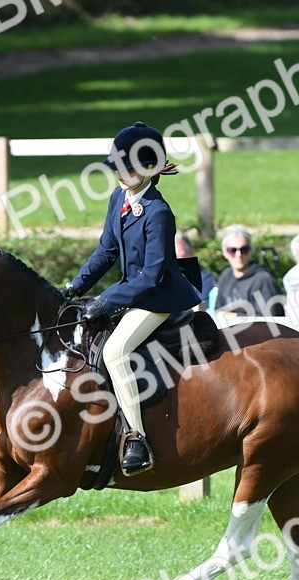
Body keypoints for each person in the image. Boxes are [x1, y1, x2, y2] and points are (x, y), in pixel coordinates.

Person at [63, 122, 201, 476]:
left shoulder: (158, 212)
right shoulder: (118, 198)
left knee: (115, 351)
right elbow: (106, 252)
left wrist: (106, 300)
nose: (122, 175)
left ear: (151, 169)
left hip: (160, 297)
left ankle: (137, 438)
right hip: (133, 292)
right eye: (119, 168)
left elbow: (152, 275)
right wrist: (73, 289)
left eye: (130, 168)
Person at [212, 225, 282, 317]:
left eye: (244, 249)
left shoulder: (263, 280)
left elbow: (271, 320)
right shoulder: (226, 276)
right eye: (232, 250)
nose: (239, 255)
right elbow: (218, 310)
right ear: (224, 253)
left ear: (251, 251)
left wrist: (236, 317)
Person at [175, 232, 216, 304]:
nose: (174, 262)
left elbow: (200, 308)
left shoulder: (205, 279)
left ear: (192, 253)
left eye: (179, 257)